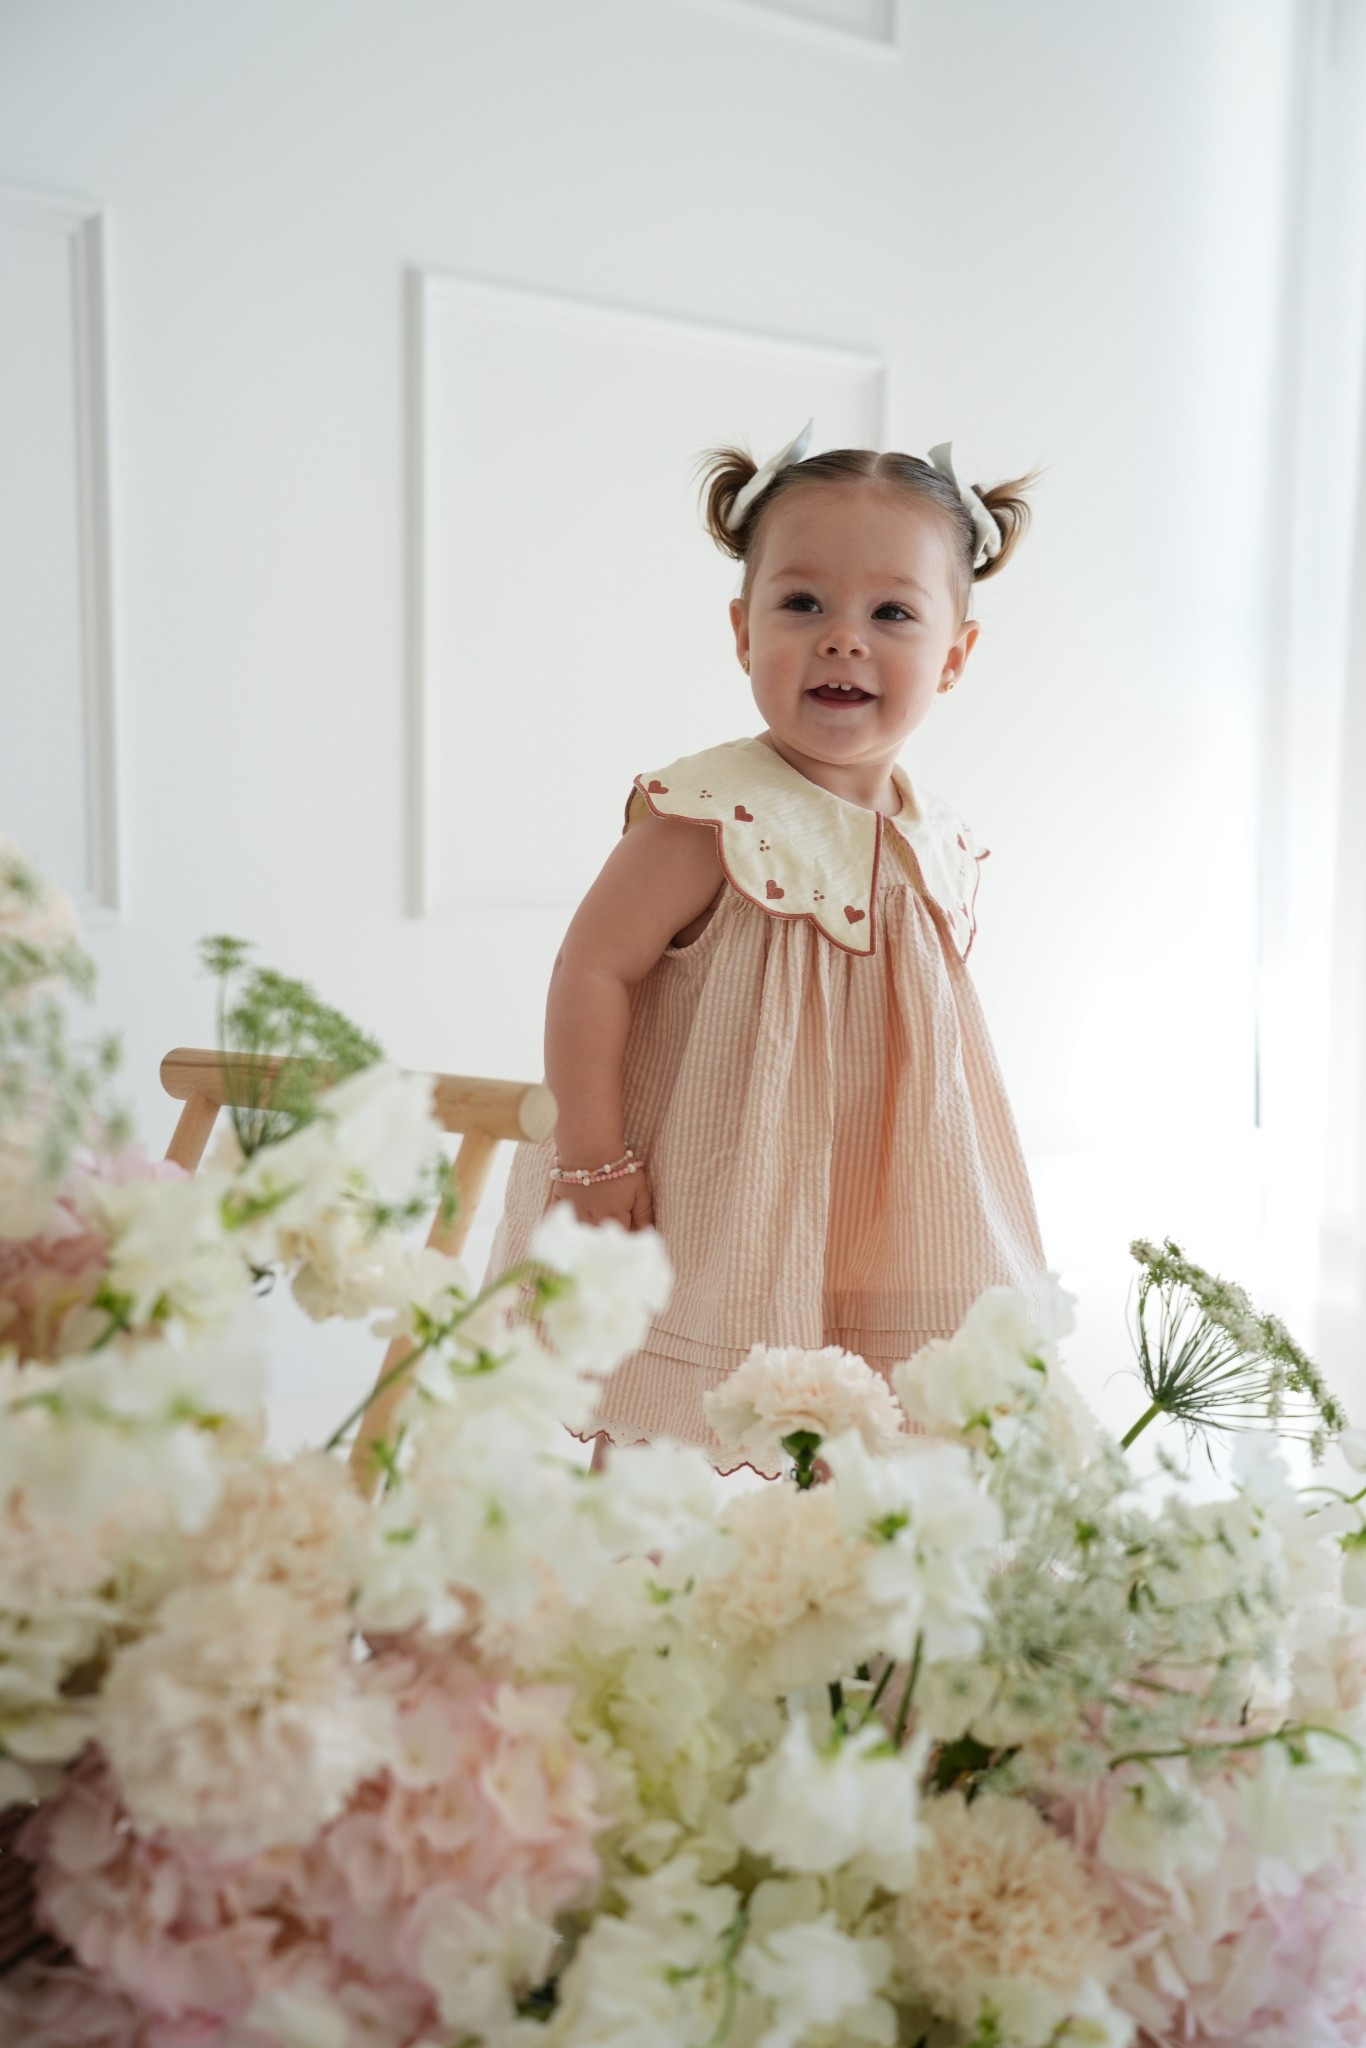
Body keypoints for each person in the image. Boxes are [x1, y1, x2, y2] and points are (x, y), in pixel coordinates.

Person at [486, 422, 1048, 1471]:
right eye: (803, 604)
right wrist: (593, 1156)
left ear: (955, 655)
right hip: (716, 1181)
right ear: (743, 632)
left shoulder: (936, 838)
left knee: (894, 1419)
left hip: (884, 1180)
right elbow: (592, 969)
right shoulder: (708, 812)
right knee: (664, 1420)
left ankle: (845, 1591)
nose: (843, 637)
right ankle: (634, 1585)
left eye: (891, 612)